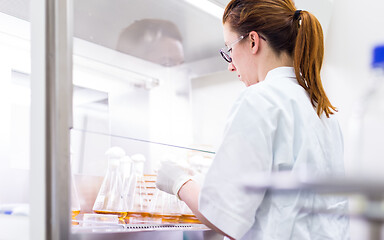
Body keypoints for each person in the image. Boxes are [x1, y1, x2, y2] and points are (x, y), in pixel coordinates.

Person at [156, 0, 349, 239]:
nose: (231, 66)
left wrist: (178, 182)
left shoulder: (260, 99)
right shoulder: (322, 111)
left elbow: (224, 216)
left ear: (253, 41)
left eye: (229, 49)